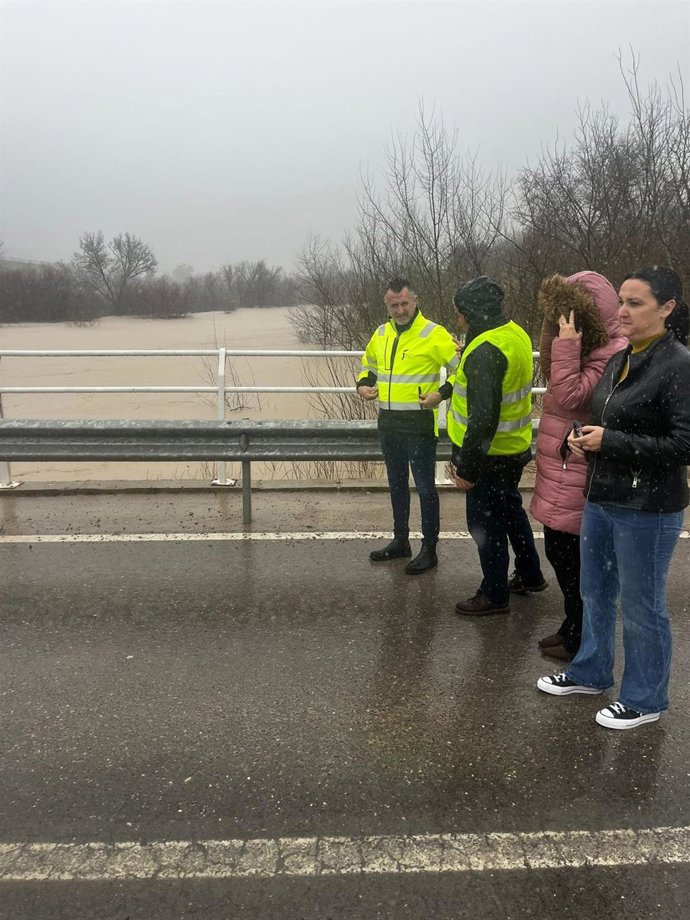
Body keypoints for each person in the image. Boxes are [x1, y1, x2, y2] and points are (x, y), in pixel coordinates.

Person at [538, 266, 690, 729]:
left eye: (635, 303)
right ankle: (590, 671)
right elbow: (603, 417)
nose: (622, 311)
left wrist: (612, 442)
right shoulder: (618, 358)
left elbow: (684, 445)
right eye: (621, 301)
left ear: (667, 308)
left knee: (643, 606)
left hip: (647, 508)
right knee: (595, 592)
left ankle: (645, 699)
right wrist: (582, 438)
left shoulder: (678, 365)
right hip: (601, 496)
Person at [527, 272, 627, 661]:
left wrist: (567, 345)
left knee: (576, 561)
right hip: (562, 467)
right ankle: (573, 624)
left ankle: (581, 635)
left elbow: (570, 396)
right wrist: (554, 333)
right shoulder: (584, 347)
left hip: (580, 470)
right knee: (560, 552)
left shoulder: (612, 352)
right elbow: (553, 376)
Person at [434, 275, 546, 614]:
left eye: (459, 311)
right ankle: (529, 573)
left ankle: (494, 594)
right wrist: (470, 345)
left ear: (471, 313)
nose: (457, 317)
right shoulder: (514, 334)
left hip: (489, 455)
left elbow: (482, 419)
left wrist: (467, 469)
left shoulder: (485, 352)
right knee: (510, 511)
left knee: (485, 525)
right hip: (513, 447)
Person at [357, 277, 460, 574]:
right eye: (394, 305)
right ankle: (401, 541)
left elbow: (463, 370)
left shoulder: (433, 333)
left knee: (426, 489)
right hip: (389, 424)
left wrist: (441, 394)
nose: (399, 310)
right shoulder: (381, 333)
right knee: (397, 486)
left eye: (404, 304)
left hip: (419, 425)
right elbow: (368, 366)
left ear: (415, 301)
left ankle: (430, 549)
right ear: (386, 306)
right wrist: (362, 385)